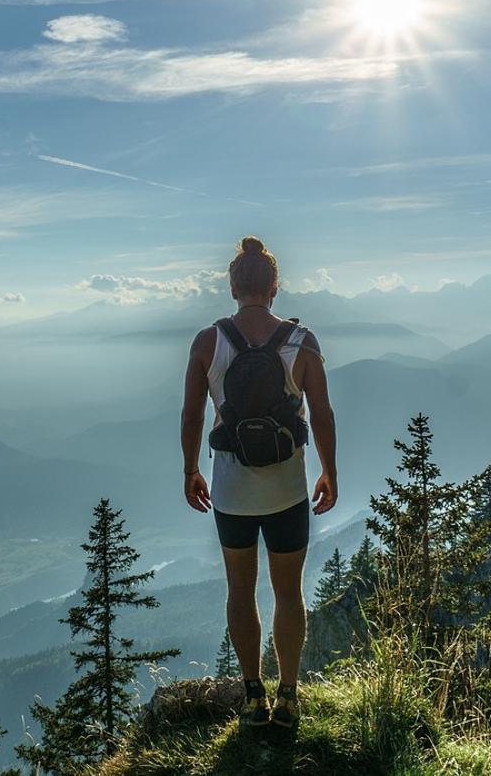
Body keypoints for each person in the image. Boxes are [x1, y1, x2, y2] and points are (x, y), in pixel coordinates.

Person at [180, 236, 338, 730]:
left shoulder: (209, 341)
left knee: (240, 590)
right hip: (288, 490)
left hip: (232, 492)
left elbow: (192, 412)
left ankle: (253, 699)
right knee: (289, 594)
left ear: (232, 286)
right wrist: (329, 471)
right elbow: (322, 413)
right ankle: (288, 697)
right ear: (274, 286)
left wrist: (190, 469)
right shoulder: (302, 342)